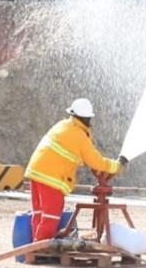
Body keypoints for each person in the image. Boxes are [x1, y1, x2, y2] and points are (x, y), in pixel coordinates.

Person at [25, 98, 129, 241]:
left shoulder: (64, 125)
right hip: (51, 177)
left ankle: (35, 246)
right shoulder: (78, 134)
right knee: (51, 214)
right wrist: (116, 166)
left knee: (39, 213)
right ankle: (41, 248)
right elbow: (96, 161)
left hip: (36, 172)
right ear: (87, 118)